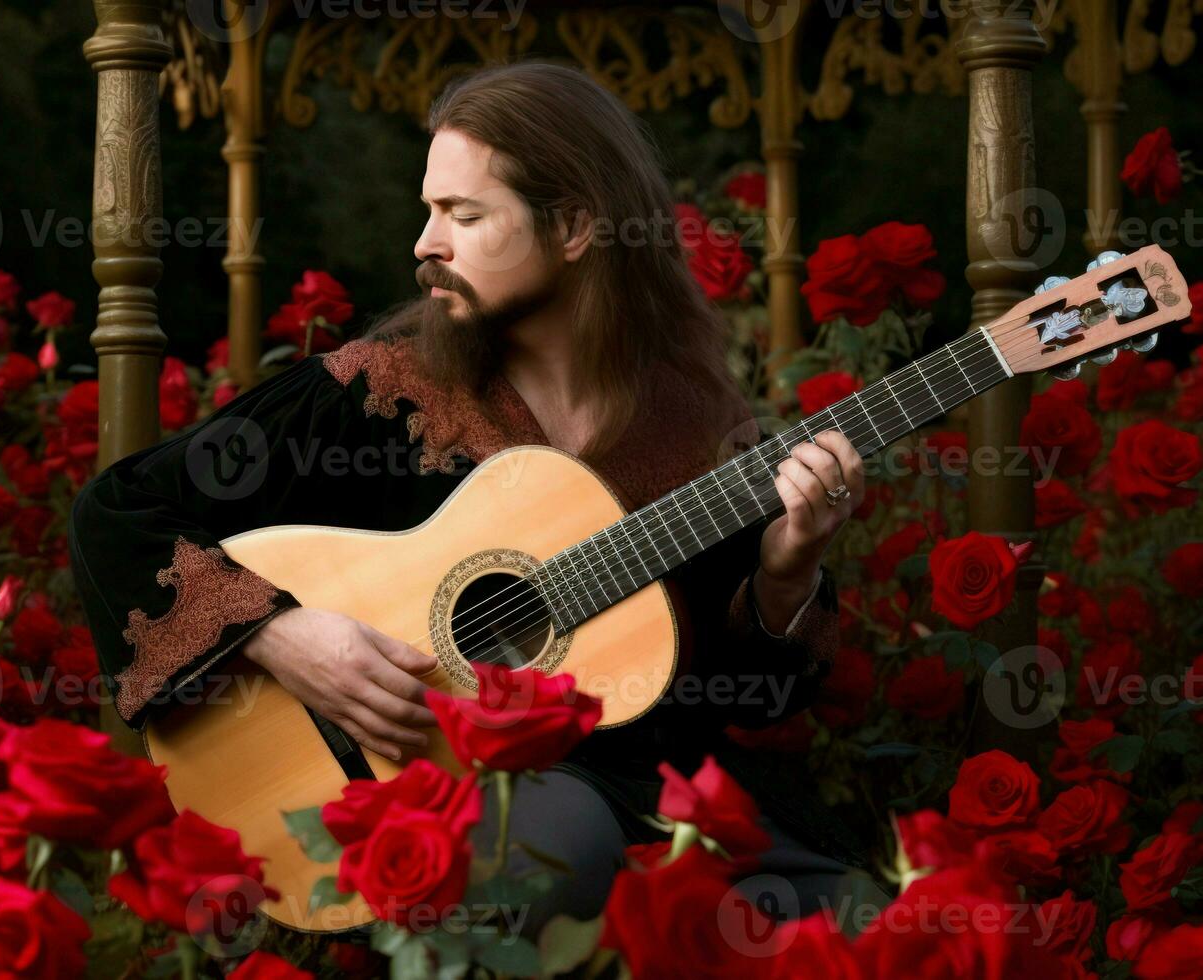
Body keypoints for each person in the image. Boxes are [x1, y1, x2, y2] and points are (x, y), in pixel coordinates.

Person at [69, 61, 878, 941]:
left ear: (572, 226)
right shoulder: (371, 395)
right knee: (548, 850)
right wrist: (281, 633)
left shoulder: (692, 425)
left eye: (463, 215)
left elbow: (753, 696)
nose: (425, 244)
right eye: (430, 211)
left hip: (661, 794)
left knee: (873, 918)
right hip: (461, 802)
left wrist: (790, 571)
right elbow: (120, 510)